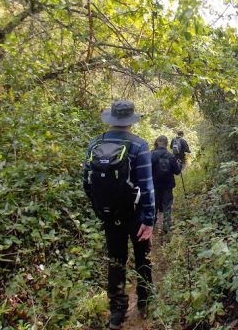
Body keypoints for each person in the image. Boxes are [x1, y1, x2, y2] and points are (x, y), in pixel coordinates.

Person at [82, 101, 154, 329]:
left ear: (111, 120)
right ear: (131, 121)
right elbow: (146, 186)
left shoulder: (95, 144)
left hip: (110, 215)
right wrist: (149, 219)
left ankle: (117, 311)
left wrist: (101, 209)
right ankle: (145, 302)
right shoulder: (139, 146)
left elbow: (87, 182)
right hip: (136, 215)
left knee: (116, 260)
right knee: (143, 257)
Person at [151, 135, 181, 234]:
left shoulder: (152, 155)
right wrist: (179, 164)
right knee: (167, 206)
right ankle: (166, 227)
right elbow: (177, 171)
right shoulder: (171, 156)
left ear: (157, 142)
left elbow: (146, 170)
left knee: (153, 206)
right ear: (167, 144)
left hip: (154, 185)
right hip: (167, 186)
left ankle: (152, 226)